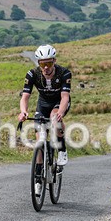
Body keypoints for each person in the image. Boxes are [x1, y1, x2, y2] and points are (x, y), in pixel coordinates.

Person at [18, 44, 72, 196]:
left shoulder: (64, 73)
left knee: (55, 119)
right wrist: (23, 111)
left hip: (58, 103)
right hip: (42, 104)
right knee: (39, 141)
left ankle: (62, 150)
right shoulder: (32, 74)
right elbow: (25, 97)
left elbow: (65, 97)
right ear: (39, 63)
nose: (46, 67)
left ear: (54, 61)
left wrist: (61, 112)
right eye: (43, 64)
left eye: (49, 63)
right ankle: (38, 180)